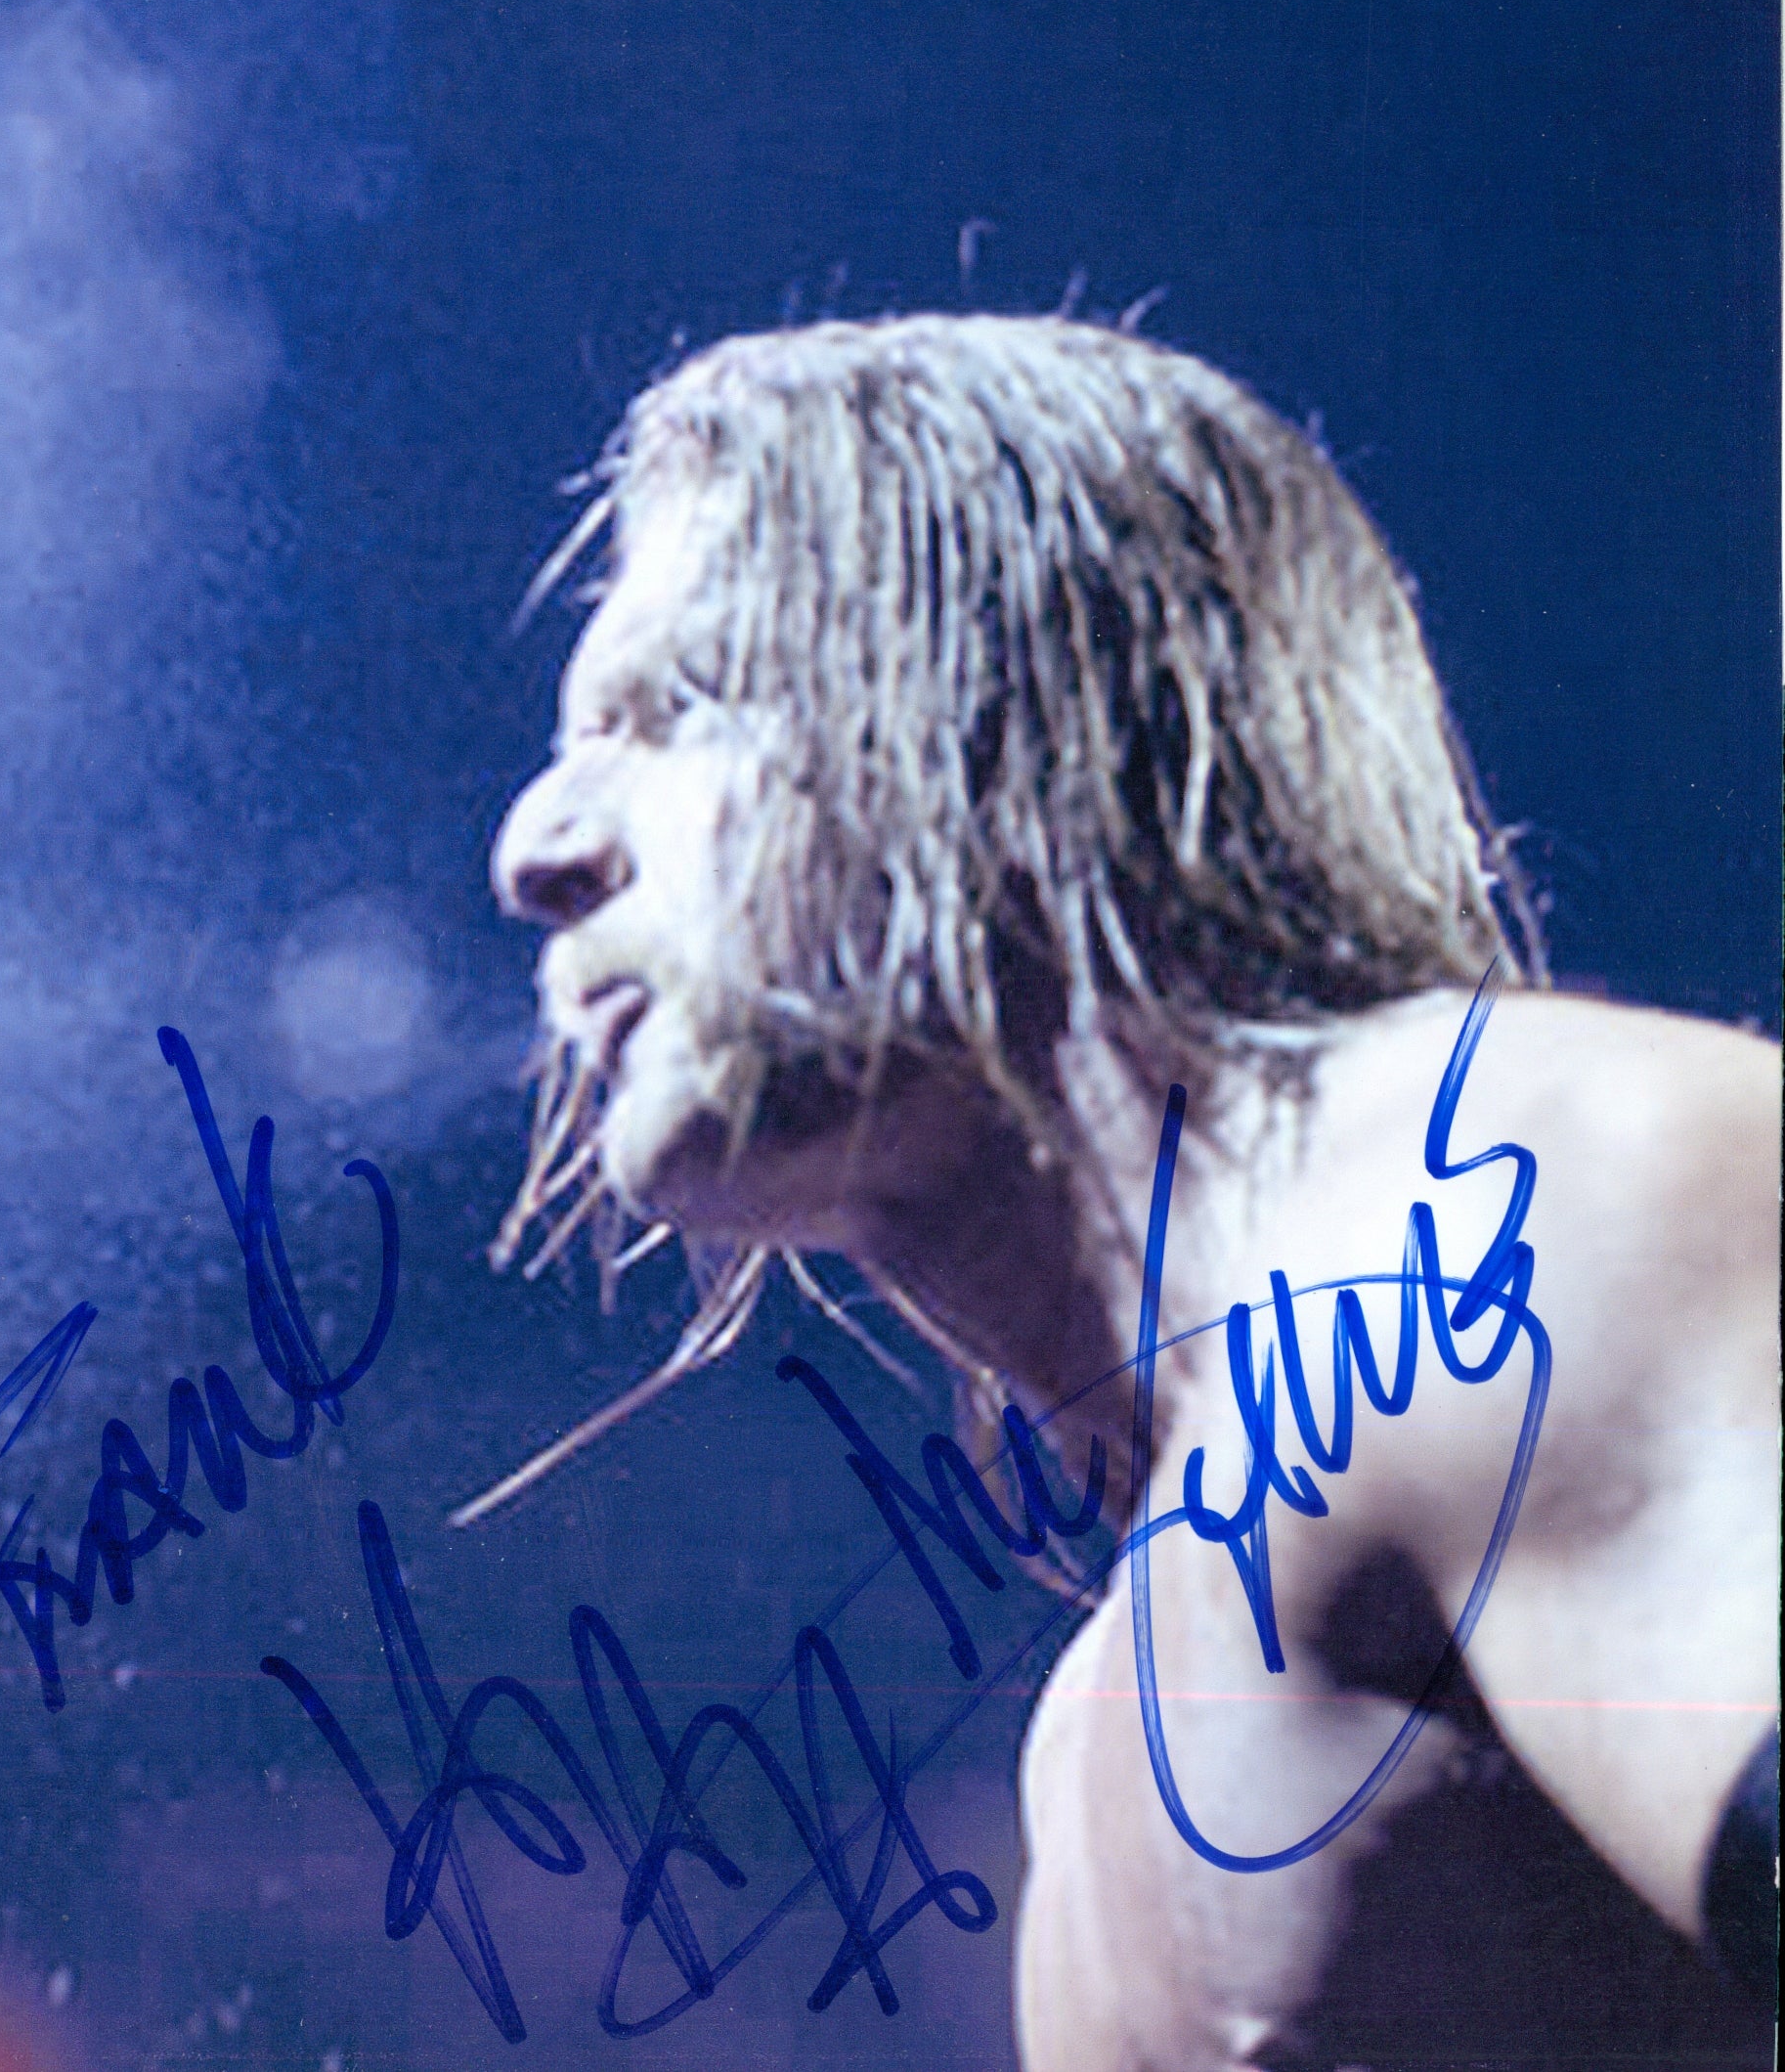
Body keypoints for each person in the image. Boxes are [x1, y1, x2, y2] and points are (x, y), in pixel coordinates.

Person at [483, 317, 1778, 2068]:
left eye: (676, 708)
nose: (538, 852)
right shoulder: (1098, 1723)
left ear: (995, 708)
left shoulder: (1516, 1199)